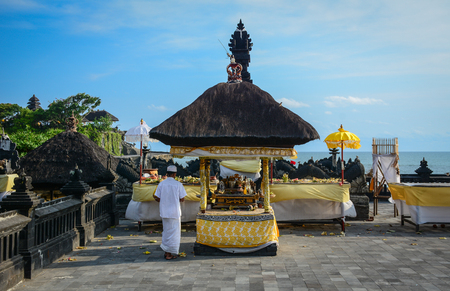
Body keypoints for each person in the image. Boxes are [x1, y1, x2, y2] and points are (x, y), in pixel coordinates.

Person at [154, 165, 187, 260]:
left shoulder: (162, 184)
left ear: (167, 173)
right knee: (174, 234)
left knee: (166, 232)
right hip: (175, 212)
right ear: (175, 174)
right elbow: (182, 198)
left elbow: (158, 198)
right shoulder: (178, 184)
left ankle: (167, 252)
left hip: (164, 212)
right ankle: (170, 254)